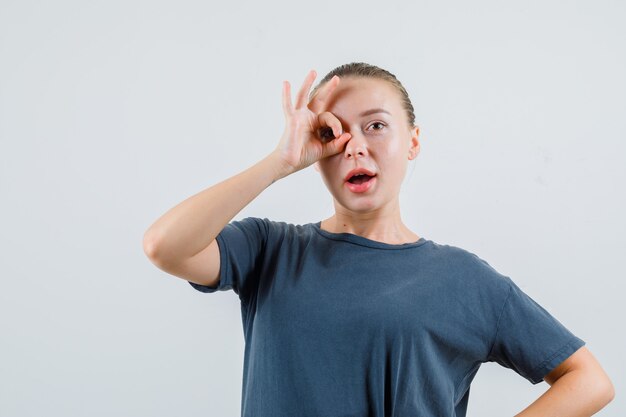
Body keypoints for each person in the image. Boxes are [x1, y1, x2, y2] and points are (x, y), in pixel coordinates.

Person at [143, 62, 614, 417]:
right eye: (334, 132)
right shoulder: (270, 250)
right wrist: (280, 161)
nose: (355, 145)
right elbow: (164, 246)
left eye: (376, 125)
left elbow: (589, 380)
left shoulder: (464, 279)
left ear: (412, 141)